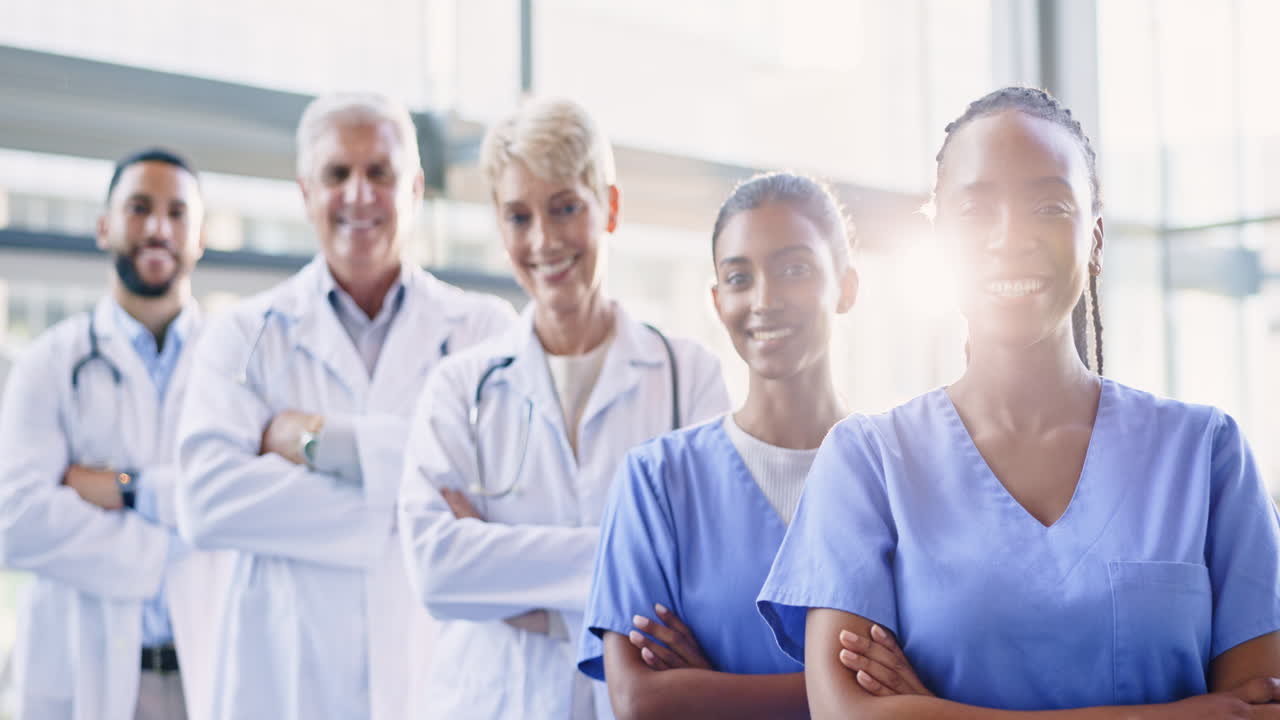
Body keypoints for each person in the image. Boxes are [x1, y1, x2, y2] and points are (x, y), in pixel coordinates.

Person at [756, 86, 1280, 718]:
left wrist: (934, 710)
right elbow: (850, 714)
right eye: (976, 211)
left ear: (1095, 241)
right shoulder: (868, 461)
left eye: (1050, 206)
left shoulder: (1206, 454)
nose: (1010, 237)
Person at [176, 93, 516, 720]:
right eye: (338, 174)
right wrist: (418, 505)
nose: (359, 194)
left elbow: (503, 491)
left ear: (414, 188)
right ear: (306, 191)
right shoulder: (243, 334)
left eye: (379, 172)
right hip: (286, 685)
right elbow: (203, 502)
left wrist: (315, 443)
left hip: (439, 678)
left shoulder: (484, 330)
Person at [397, 97, 730, 719]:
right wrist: (623, 572)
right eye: (518, 217)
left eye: (565, 208)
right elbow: (437, 571)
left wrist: (507, 576)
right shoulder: (460, 386)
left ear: (610, 206)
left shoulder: (690, 376)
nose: (543, 240)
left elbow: (704, 573)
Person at [577, 172, 858, 719]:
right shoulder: (657, 481)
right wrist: (850, 692)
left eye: (794, 269)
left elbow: (943, 674)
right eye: (738, 277)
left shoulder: (895, 472)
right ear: (716, 299)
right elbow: (639, 702)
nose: (764, 300)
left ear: (846, 286)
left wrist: (708, 689)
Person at [0, 148, 218, 720]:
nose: (157, 228)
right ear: (104, 227)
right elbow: (17, 520)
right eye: (139, 208)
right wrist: (175, 542)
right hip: (84, 672)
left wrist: (124, 489)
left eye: (176, 214)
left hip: (209, 671)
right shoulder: (48, 363)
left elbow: (251, 502)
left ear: (199, 237)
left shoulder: (236, 364)